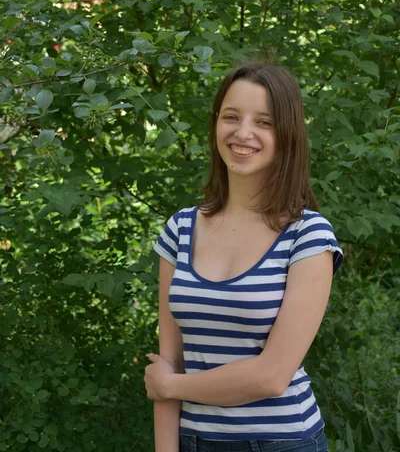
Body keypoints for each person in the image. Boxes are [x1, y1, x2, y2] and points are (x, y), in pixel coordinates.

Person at [144, 62, 343, 452]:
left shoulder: (308, 235)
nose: (243, 132)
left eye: (264, 122)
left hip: (282, 442)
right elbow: (170, 361)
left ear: (287, 134)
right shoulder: (181, 228)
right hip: (194, 441)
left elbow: (271, 376)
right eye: (231, 116)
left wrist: (173, 386)